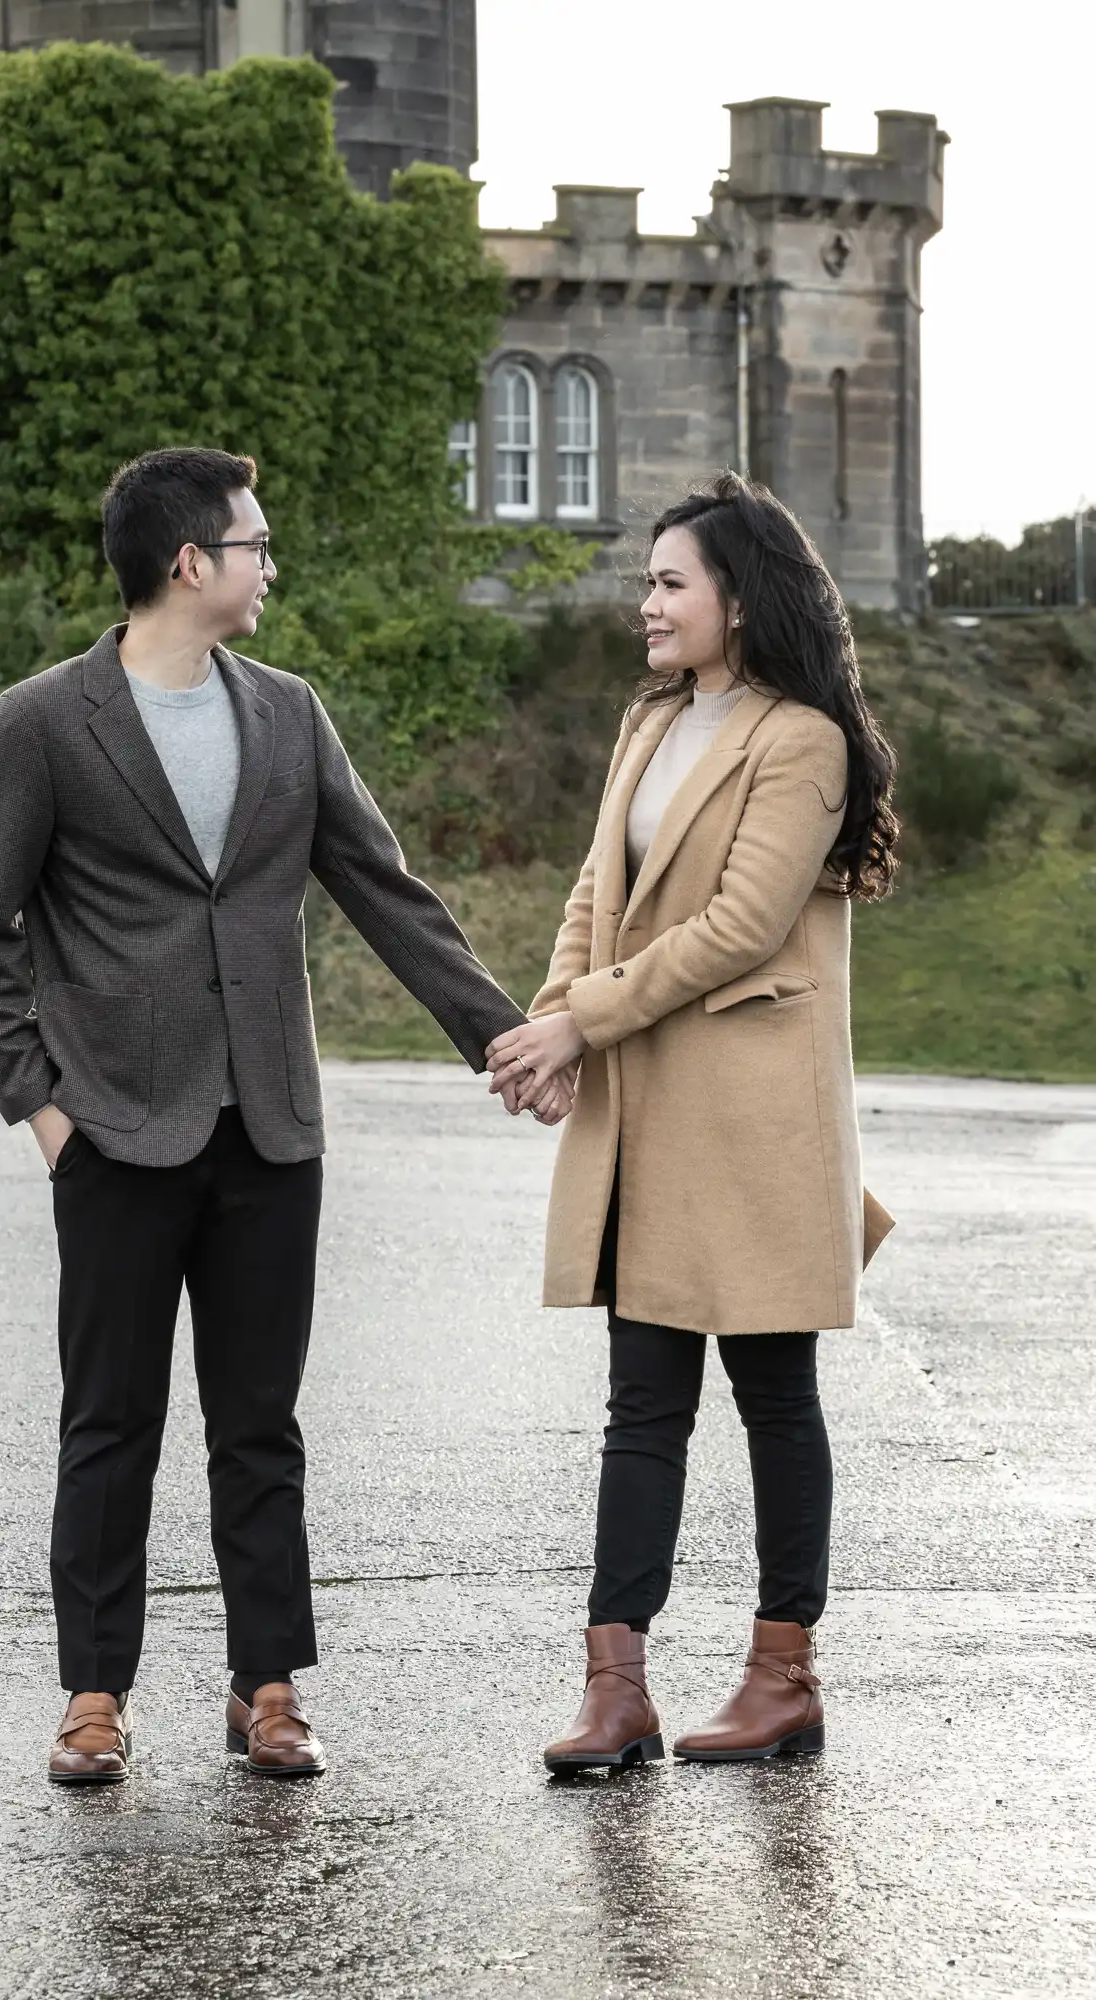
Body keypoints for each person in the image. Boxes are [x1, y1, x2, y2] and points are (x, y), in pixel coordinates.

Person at [0, 446, 570, 1786]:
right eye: (253, 544)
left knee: (259, 1423)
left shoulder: (289, 714)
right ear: (189, 563)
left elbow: (382, 888)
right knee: (109, 1420)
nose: (269, 564)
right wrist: (41, 1110)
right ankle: (94, 1694)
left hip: (271, 1129)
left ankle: (267, 1687)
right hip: (113, 1129)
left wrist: (502, 1036)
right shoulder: (44, 722)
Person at [484, 472, 897, 1771]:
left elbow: (740, 928)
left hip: (759, 1115)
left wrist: (581, 1022)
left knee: (775, 1394)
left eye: (669, 582)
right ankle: (616, 1690)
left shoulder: (802, 741)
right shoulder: (648, 720)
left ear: (737, 595)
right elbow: (592, 890)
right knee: (640, 1403)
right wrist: (557, 1018)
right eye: (647, 581)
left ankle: (783, 1676)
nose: (645, 604)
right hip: (648, 1103)